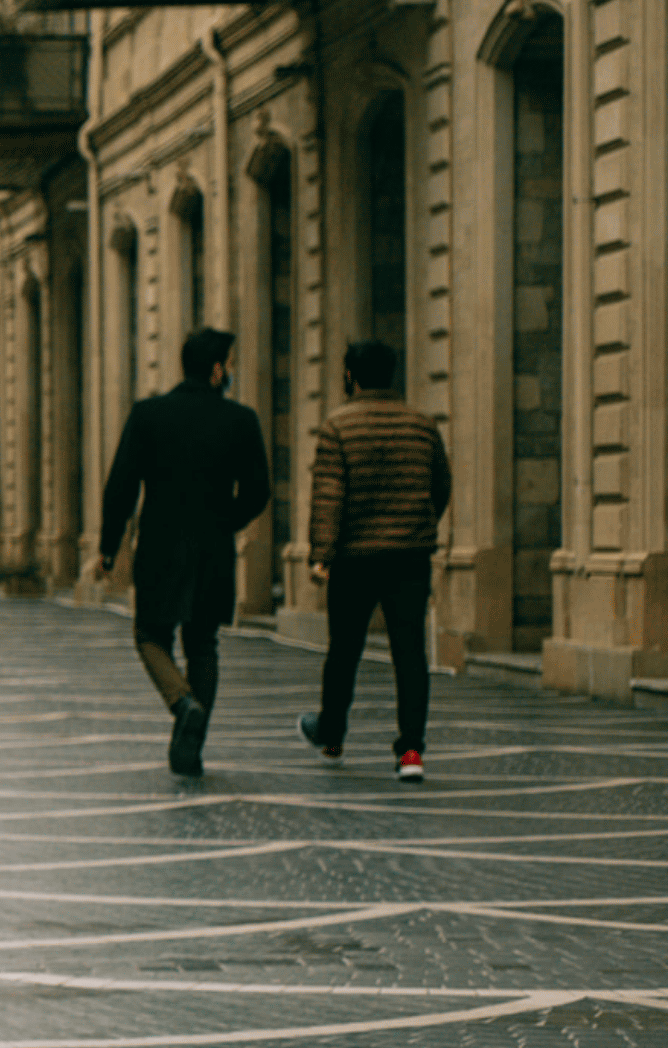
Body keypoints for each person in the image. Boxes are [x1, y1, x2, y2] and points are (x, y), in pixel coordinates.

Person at [98, 326, 272, 776]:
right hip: (214, 547)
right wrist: (225, 522)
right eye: (230, 365)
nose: (232, 372)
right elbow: (258, 492)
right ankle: (189, 748)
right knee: (204, 644)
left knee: (150, 635)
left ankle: (182, 703)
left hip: (160, 544)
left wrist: (108, 545)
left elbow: (120, 486)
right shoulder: (242, 420)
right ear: (216, 371)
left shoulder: (148, 414)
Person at [297, 339, 449, 782]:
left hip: (355, 558)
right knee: (410, 654)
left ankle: (333, 735)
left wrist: (321, 555)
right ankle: (411, 753)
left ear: (351, 376)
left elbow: (329, 495)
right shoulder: (421, 424)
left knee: (344, 650)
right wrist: (419, 525)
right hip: (409, 558)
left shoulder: (338, 425)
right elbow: (441, 483)